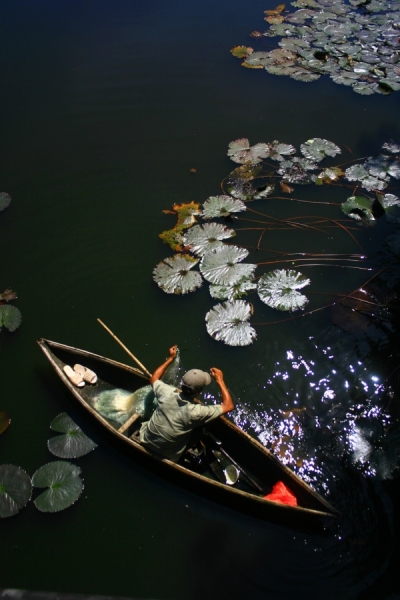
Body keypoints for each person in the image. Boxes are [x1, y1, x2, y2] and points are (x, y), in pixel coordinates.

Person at [139, 345, 234, 462]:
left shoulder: (167, 393)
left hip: (145, 440)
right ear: (199, 392)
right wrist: (220, 380)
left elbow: (154, 379)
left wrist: (170, 358)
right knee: (201, 428)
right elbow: (229, 405)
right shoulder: (196, 412)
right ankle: (184, 452)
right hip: (168, 455)